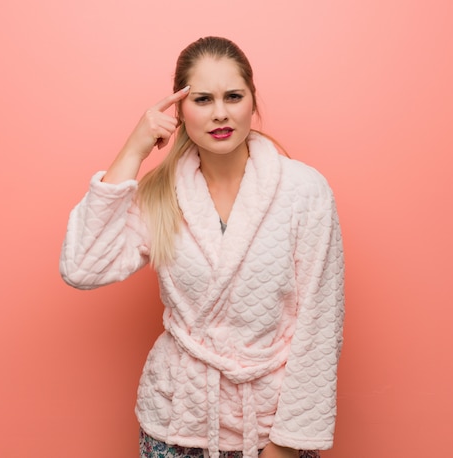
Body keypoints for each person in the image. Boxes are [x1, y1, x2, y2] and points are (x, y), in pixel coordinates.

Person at [60, 36, 344, 458]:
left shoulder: (304, 191)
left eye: (233, 96)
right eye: (203, 99)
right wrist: (134, 150)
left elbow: (321, 323)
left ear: (252, 101)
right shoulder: (161, 194)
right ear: (179, 110)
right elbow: (82, 267)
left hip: (270, 426)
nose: (220, 113)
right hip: (177, 419)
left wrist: (285, 444)